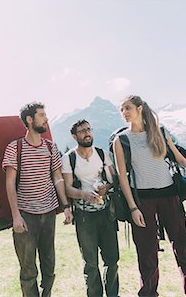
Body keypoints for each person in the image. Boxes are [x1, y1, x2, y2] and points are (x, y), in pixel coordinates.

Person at [113, 95, 186, 297]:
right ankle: (149, 293)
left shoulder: (160, 132)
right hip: (142, 200)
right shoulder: (121, 140)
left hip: (170, 196)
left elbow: (181, 159)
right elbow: (122, 178)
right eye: (121, 109)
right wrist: (133, 208)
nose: (124, 113)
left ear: (140, 108)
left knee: (183, 245)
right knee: (147, 251)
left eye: (127, 108)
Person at [2, 102, 73, 297]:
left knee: (49, 265)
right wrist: (16, 216)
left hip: (48, 213)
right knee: (28, 269)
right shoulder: (14, 148)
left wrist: (65, 206)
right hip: (26, 216)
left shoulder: (50, 147)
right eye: (42, 115)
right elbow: (10, 183)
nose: (46, 118)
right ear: (30, 120)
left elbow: (58, 178)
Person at [61, 119, 120, 297]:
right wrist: (84, 195)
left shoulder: (102, 154)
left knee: (112, 261)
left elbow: (114, 179)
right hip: (84, 216)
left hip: (106, 212)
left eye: (88, 129)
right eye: (82, 131)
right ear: (74, 136)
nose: (87, 133)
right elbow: (67, 188)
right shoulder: (69, 158)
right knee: (91, 264)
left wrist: (107, 188)